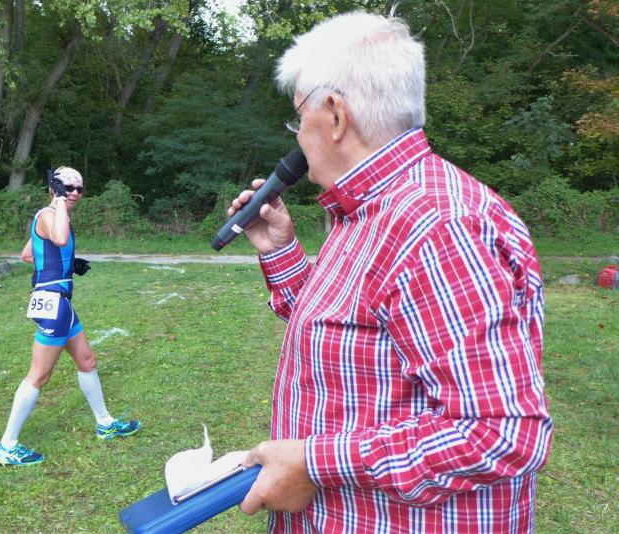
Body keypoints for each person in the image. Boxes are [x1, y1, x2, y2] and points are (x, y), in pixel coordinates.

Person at [229, 11, 553, 533]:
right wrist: (279, 249)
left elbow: (501, 432)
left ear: (335, 115)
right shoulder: (368, 210)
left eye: (298, 118)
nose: (298, 137)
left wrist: (313, 462)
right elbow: (349, 337)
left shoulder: (437, 226)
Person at [0, 166, 140, 467]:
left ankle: (104, 422)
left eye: (78, 189)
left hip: (61, 303)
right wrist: (58, 202)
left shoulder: (54, 216)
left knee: (87, 360)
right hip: (52, 304)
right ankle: (6, 445)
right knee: (39, 375)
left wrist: (67, 265)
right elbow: (58, 239)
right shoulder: (50, 214)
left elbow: (29, 254)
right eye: (67, 188)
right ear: (54, 188)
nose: (73, 193)